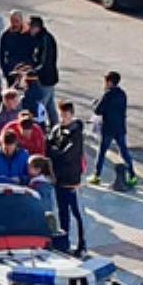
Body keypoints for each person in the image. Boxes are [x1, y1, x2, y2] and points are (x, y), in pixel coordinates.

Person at [49, 99, 86, 255]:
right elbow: (48, 145)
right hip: (58, 177)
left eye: (65, 114)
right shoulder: (57, 129)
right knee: (62, 211)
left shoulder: (76, 133)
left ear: (72, 114)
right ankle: (64, 242)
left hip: (70, 179)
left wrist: (54, 151)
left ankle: (81, 244)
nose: (63, 117)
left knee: (76, 213)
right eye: (61, 114)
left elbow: (67, 155)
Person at [92, 70, 137, 187]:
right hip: (120, 127)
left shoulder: (107, 94)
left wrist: (94, 103)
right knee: (124, 151)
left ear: (109, 82)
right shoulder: (122, 94)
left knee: (102, 152)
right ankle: (132, 175)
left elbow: (97, 110)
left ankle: (97, 176)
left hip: (108, 128)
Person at [28, 15, 59, 126]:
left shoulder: (45, 40)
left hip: (45, 79)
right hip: (48, 78)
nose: (29, 30)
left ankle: (40, 129)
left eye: (30, 27)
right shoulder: (41, 38)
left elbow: (45, 62)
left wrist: (33, 71)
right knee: (50, 106)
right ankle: (55, 125)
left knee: (41, 106)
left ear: (37, 28)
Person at [0, 10, 36, 83]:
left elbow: (36, 51)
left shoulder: (29, 34)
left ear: (21, 20)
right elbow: (1, 54)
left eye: (17, 21)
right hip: (12, 70)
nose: (14, 23)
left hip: (27, 69)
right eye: (12, 21)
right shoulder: (6, 35)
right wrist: (5, 71)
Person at [28, 155, 58, 222]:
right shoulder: (44, 182)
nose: (27, 169)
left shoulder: (38, 184)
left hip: (40, 214)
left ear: (38, 170)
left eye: (29, 167)